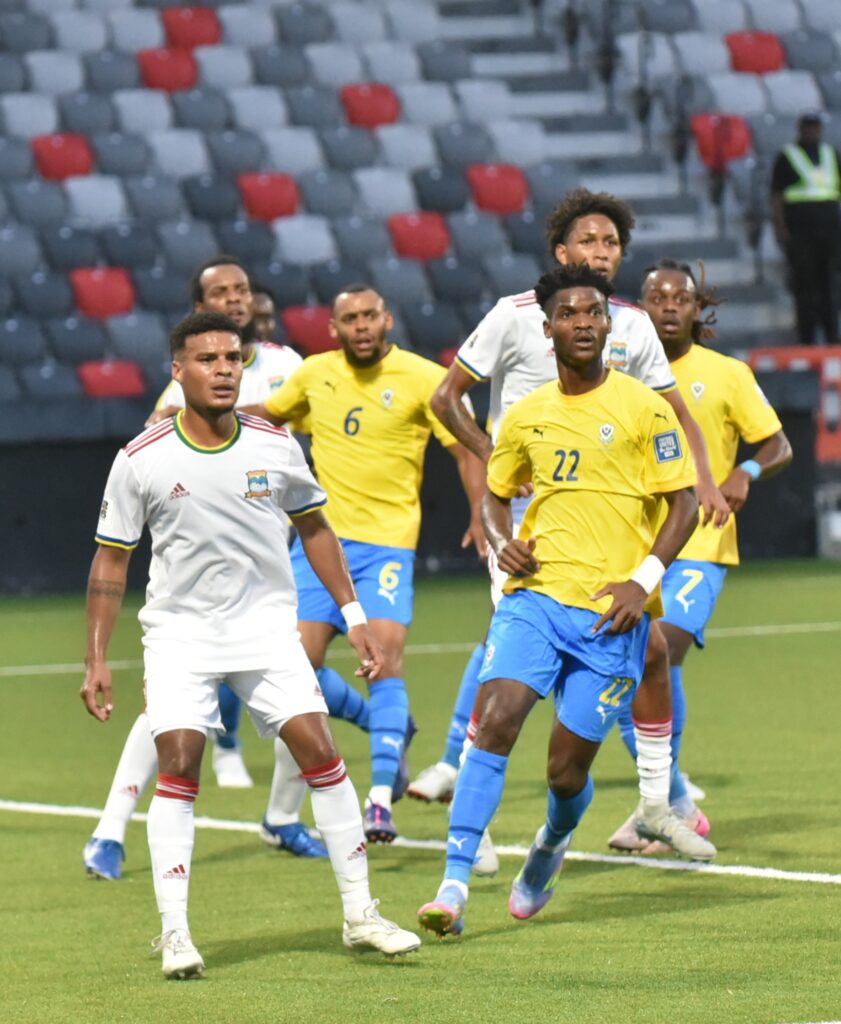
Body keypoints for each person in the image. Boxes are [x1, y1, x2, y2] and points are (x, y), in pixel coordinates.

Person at [80, 310, 421, 978]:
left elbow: (315, 528)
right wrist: (96, 656)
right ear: (178, 371)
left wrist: (352, 614)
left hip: (266, 632)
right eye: (206, 360)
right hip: (181, 635)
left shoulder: (275, 443)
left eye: (232, 359)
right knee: (180, 760)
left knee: (321, 753)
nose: (223, 370)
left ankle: (361, 916)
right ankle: (175, 933)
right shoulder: (141, 457)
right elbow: (111, 560)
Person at [409, 188, 727, 861]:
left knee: (644, 650)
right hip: (531, 521)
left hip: (614, 516)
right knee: (509, 656)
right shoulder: (513, 316)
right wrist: (495, 463)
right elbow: (446, 397)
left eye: (611, 243)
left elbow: (673, 412)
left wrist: (700, 479)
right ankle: (476, 817)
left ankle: (661, 801)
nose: (600, 252)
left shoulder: (630, 325)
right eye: (588, 241)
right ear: (560, 252)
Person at [82, 258, 320, 886]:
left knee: (309, 693)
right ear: (198, 308)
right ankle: (111, 827)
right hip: (204, 574)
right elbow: (161, 444)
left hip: (275, 556)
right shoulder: (192, 376)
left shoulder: (289, 363)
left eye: (241, 289)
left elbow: (311, 433)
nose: (235, 299)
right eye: (219, 292)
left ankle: (283, 816)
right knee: (169, 711)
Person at [244, 284, 486, 845]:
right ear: (334, 329)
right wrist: (198, 415)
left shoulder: (425, 378)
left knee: (383, 660)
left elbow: (467, 448)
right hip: (319, 542)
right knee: (297, 667)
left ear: (387, 319)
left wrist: (479, 513)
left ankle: (378, 800)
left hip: (386, 547)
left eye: (369, 316)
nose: (361, 326)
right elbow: (269, 416)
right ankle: (385, 725)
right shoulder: (314, 374)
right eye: (349, 318)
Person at [609, 259, 793, 853]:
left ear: (697, 308)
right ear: (639, 309)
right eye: (656, 297)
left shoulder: (727, 373)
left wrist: (745, 471)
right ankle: (669, 803)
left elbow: (778, 443)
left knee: (659, 650)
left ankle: (670, 806)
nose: (668, 306)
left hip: (702, 542)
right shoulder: (617, 375)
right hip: (635, 543)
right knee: (634, 668)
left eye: (680, 298)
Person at [770, 112, 841, 345]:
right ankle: (807, 338)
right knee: (804, 286)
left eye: (815, 128)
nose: (812, 132)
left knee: (829, 284)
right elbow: (777, 196)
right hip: (800, 232)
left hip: (829, 230)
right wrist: (780, 229)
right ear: (800, 130)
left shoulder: (830, 154)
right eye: (808, 128)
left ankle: (832, 336)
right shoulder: (787, 156)